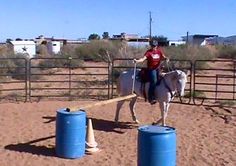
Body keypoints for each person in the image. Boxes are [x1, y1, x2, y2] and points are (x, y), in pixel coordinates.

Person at [134, 39, 169, 105]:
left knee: (163, 78)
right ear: (151, 46)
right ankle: (151, 97)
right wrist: (137, 61)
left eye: (155, 46)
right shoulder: (148, 52)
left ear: (156, 46)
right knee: (154, 81)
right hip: (151, 69)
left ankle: (161, 94)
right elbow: (143, 59)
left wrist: (166, 59)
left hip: (158, 69)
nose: (153, 47)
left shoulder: (159, 52)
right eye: (152, 46)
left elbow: (164, 57)